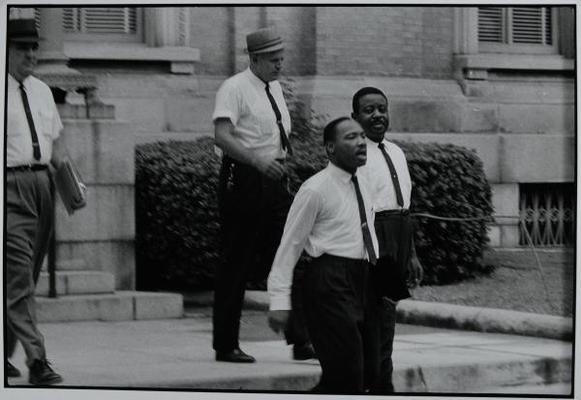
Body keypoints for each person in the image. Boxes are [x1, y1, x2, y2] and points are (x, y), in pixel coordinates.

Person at [211, 26, 313, 363]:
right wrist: (258, 161)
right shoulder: (235, 88)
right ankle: (226, 345)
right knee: (236, 262)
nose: (279, 65)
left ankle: (300, 339)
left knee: (287, 255)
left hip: (274, 179)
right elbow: (222, 136)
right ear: (254, 59)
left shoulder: (274, 88)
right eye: (272, 59)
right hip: (244, 179)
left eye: (282, 58)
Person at [268, 117, 382, 394]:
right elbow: (290, 245)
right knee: (347, 372)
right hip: (330, 281)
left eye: (361, 137)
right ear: (330, 148)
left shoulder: (365, 182)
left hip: (364, 279)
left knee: (369, 372)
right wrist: (279, 300)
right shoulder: (315, 189)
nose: (360, 143)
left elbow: (365, 234)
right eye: (350, 138)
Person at [5, 18, 65, 385]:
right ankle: (37, 360)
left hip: (43, 186)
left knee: (26, 276)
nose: (30, 54)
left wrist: (71, 185)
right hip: (9, 187)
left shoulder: (42, 90)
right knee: (18, 278)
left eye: (34, 47)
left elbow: (55, 142)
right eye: (21, 48)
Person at [352, 86, 424, 393]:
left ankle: (381, 379)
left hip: (399, 235)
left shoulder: (396, 151)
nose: (377, 115)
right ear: (355, 117)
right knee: (377, 313)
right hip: (375, 238)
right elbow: (358, 206)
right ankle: (379, 383)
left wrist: (412, 254)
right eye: (369, 110)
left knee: (387, 311)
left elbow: (403, 206)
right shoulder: (356, 154)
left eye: (382, 108)